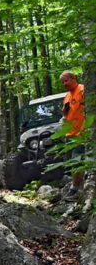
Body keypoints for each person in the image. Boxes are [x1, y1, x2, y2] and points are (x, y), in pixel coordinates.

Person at [60, 70, 85, 199]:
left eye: (66, 80)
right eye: (62, 82)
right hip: (70, 133)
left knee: (77, 160)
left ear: (74, 78)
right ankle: (78, 186)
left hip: (82, 132)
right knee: (70, 162)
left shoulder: (82, 89)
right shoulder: (67, 96)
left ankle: (74, 189)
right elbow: (66, 114)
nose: (64, 83)